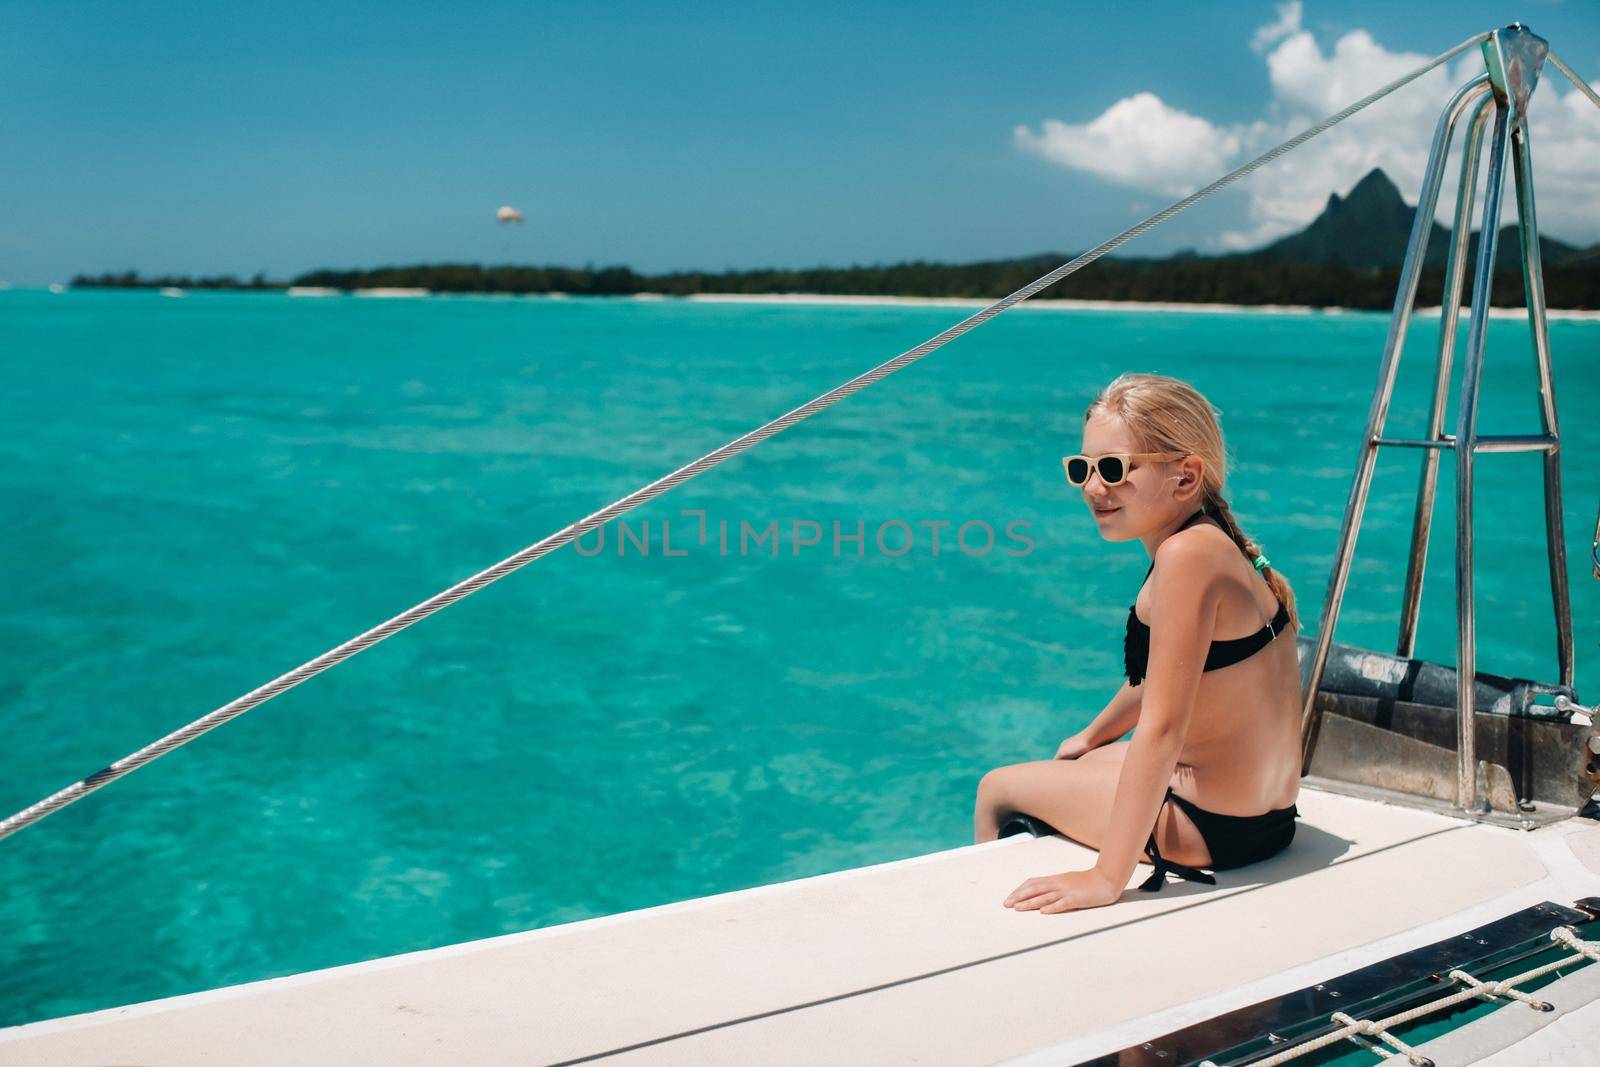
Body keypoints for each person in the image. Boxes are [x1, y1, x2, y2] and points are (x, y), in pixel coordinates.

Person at [974, 372, 1303, 914]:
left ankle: (994, 930)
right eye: (1081, 469)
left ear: (1185, 475)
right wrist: (1092, 735)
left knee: (996, 789)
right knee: (1077, 764)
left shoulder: (1185, 559)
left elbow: (1164, 729)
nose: (1093, 488)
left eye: (1114, 468)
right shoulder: (1213, 544)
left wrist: (1107, 878)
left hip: (1211, 830)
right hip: (1267, 820)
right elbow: (1167, 675)